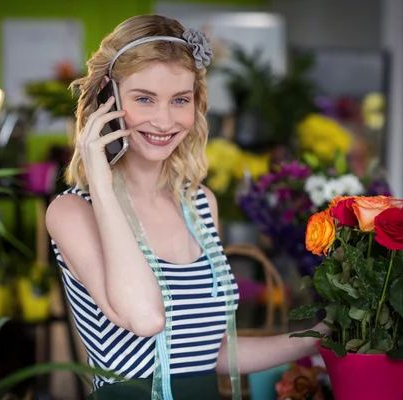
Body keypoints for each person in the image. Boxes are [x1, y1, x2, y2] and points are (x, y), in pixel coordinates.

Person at [46, 14, 328, 400]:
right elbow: (146, 318)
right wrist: (101, 182)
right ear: (105, 100)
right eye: (144, 98)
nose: (164, 120)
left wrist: (321, 337)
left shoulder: (199, 204)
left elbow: (207, 353)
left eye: (180, 100)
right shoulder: (73, 212)